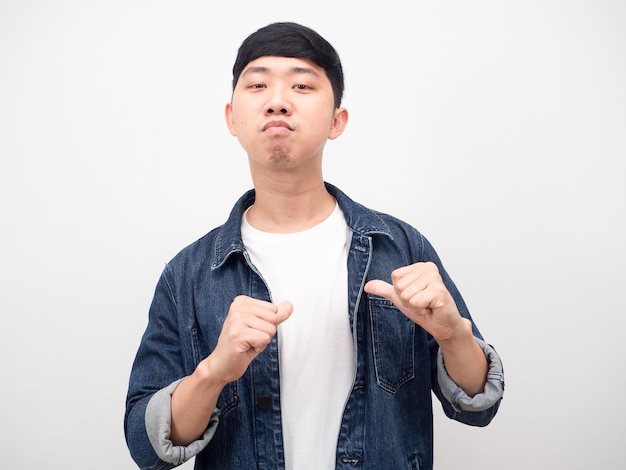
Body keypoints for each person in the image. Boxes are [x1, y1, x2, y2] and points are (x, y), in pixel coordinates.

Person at [124, 21, 505, 470]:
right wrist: (214, 372)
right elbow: (145, 445)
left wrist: (452, 334)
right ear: (232, 117)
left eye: (302, 84)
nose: (278, 100)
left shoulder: (400, 247)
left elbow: (480, 404)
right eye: (259, 84)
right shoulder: (188, 274)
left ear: (336, 121)